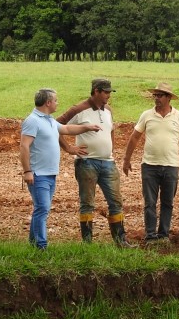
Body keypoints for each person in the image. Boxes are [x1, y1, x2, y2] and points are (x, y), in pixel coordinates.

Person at [56, 78, 135, 248]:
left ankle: (121, 241)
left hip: (108, 163)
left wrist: (111, 150)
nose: (108, 96)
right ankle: (88, 244)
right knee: (87, 203)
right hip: (86, 163)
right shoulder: (79, 109)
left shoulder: (108, 110)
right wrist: (69, 148)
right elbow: (54, 126)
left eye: (109, 92)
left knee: (116, 202)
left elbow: (110, 130)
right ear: (96, 91)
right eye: (106, 92)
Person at [19, 88, 100, 250]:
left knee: (41, 209)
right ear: (48, 103)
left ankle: (34, 244)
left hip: (49, 174)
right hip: (38, 174)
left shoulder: (49, 120)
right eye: (55, 100)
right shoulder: (32, 121)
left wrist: (88, 127)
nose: (57, 103)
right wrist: (27, 171)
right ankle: (41, 246)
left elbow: (67, 129)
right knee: (42, 209)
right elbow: (24, 146)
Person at [122, 82, 179, 243]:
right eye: (155, 95)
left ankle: (163, 234)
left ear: (169, 98)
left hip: (171, 165)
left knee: (167, 202)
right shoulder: (147, 115)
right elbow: (135, 137)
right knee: (149, 202)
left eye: (160, 95)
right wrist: (126, 160)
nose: (156, 98)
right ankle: (150, 235)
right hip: (149, 165)